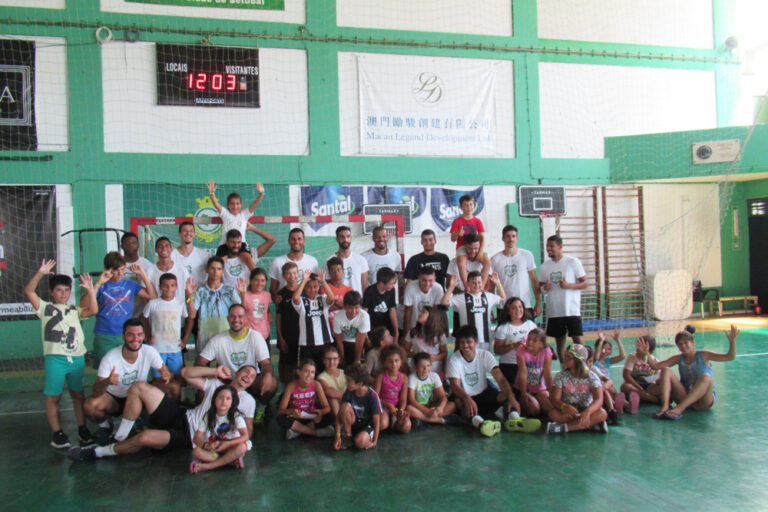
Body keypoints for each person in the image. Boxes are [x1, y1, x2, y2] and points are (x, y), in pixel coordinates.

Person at [68, 364, 256, 462]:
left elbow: (247, 433)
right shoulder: (215, 384)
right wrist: (214, 370)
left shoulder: (248, 401)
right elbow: (186, 373)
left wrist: (224, 444)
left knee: (144, 438)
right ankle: (120, 436)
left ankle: (99, 452)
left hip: (188, 437)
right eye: (245, 371)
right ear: (237, 373)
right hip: (182, 416)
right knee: (139, 387)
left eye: (253, 376)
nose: (248, 376)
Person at [24, 259, 98, 448]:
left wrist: (91, 290)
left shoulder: (74, 310)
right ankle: (57, 433)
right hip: (56, 359)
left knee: (78, 395)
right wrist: (40, 273)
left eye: (66, 290)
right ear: (51, 292)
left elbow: (94, 310)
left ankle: (82, 430)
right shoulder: (45, 308)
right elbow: (28, 291)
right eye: (59, 290)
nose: (63, 294)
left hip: (76, 359)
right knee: (54, 397)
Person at [83, 319, 171, 443]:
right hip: (115, 400)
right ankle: (106, 427)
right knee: (90, 406)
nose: (135, 338)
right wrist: (107, 381)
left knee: (173, 387)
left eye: (139, 334)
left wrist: (165, 374)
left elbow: (163, 369)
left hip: (138, 398)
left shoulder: (149, 351)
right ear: (123, 336)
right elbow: (96, 391)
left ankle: (152, 421)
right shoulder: (110, 358)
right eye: (130, 334)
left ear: (144, 336)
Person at [447, 325, 538, 437]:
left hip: (483, 394)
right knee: (460, 402)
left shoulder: (485, 355)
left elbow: (500, 378)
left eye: (468, 342)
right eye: (462, 342)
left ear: (476, 342)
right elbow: (455, 386)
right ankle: (481, 424)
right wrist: (467, 398)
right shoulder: (454, 359)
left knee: (507, 395)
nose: (465, 345)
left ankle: (515, 419)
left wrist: (511, 396)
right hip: (465, 396)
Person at [196, 303, 277, 424]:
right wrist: (210, 374)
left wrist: (268, 375)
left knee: (272, 382)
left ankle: (261, 408)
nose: (236, 320)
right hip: (228, 382)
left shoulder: (255, 337)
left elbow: (266, 364)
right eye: (233, 316)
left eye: (240, 317)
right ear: (228, 318)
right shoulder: (218, 340)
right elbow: (200, 362)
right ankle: (210, 416)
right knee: (201, 390)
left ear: (245, 319)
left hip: (250, 381)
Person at [85, 251, 157, 369]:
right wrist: (97, 284)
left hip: (125, 335)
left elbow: (152, 295)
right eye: (116, 270)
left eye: (122, 269)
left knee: (127, 368)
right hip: (104, 336)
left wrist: (143, 274)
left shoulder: (130, 284)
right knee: (104, 370)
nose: (120, 273)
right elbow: (84, 303)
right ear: (106, 269)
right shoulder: (101, 285)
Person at [651, 325, 738, 420]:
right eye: (680, 344)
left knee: (706, 377)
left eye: (686, 343)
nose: (683, 346)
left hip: (703, 401)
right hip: (684, 396)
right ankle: (665, 407)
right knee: (666, 370)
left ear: (693, 343)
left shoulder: (704, 355)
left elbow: (730, 357)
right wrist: (646, 354)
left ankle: (679, 408)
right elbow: (656, 366)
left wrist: (732, 342)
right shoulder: (678, 358)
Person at [539, 234, 587, 361]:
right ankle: (564, 368)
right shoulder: (545, 266)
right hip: (555, 310)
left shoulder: (572, 262)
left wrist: (569, 285)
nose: (548, 248)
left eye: (552, 246)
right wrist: (546, 288)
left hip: (571, 310)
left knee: (578, 339)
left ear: (560, 246)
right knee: (560, 342)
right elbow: (541, 288)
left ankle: (584, 366)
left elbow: (585, 283)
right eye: (547, 246)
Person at [141, 273, 189, 401]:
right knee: (158, 379)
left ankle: (176, 406)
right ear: (160, 287)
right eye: (165, 286)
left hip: (174, 349)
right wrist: (147, 336)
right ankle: (159, 403)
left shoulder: (180, 304)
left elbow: (188, 320)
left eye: (172, 285)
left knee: (176, 377)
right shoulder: (153, 303)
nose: (169, 289)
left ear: (176, 287)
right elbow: (144, 318)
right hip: (157, 349)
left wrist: (184, 339)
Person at [547, 344, 608, 434]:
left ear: (577, 360)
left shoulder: (591, 376)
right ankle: (589, 425)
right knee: (553, 414)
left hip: (586, 409)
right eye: (565, 356)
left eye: (568, 357)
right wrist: (564, 406)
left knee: (602, 413)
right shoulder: (560, 376)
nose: (564, 359)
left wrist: (587, 412)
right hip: (568, 411)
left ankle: (564, 428)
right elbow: (554, 399)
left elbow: (598, 399)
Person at [183, 256, 240, 352]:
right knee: (203, 364)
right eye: (212, 268)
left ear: (223, 271)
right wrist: (189, 296)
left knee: (223, 366)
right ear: (207, 270)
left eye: (219, 269)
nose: (215, 272)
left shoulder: (230, 290)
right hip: (205, 335)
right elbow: (192, 314)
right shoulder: (200, 291)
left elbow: (240, 310)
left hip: (225, 335)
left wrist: (243, 295)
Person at [190, 385, 249, 473]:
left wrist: (228, 444)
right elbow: (196, 438)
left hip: (231, 447)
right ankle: (230, 461)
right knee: (196, 451)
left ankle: (208, 466)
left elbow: (245, 436)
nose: (224, 401)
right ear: (214, 400)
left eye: (228, 398)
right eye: (220, 397)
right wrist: (206, 445)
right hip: (216, 449)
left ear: (232, 402)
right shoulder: (209, 415)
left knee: (242, 447)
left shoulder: (236, 416)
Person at [207, 179, 264, 270]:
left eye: (237, 204)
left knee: (250, 261)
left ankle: (256, 278)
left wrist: (261, 194)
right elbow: (216, 205)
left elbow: (254, 205)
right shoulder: (225, 214)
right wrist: (212, 194)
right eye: (232, 204)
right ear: (228, 205)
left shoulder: (244, 214)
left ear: (241, 205)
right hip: (225, 244)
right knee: (218, 265)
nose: (235, 206)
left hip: (240, 244)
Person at [441, 271, 505, 352]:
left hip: (485, 340)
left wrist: (498, 283)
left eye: (479, 282)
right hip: (467, 341)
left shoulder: (488, 296)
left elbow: (503, 297)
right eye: (474, 283)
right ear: (468, 284)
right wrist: (451, 287)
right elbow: (444, 302)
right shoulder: (461, 298)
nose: (477, 285)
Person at [490, 225, 541, 319]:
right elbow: (491, 286)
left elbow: (534, 280)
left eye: (513, 236)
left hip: (524, 304)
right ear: (503, 238)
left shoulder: (527, 255)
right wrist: (489, 308)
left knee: (528, 333)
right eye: (508, 236)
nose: (511, 239)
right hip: (504, 306)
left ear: (517, 238)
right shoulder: (495, 259)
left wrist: (538, 303)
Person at [276, 358, 335, 440]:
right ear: (298, 372)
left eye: (312, 372)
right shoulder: (291, 386)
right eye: (306, 371)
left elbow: (327, 408)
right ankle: (315, 433)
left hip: (312, 417)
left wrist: (321, 412)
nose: (309, 375)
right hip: (297, 417)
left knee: (331, 416)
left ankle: (297, 431)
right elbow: (280, 410)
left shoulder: (316, 385)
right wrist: (291, 411)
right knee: (281, 418)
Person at [292, 270, 336, 369]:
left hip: (325, 343)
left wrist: (323, 282)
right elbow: (295, 297)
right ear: (305, 288)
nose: (312, 290)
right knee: (306, 371)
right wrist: (303, 281)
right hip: (307, 344)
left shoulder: (323, 299)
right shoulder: (303, 302)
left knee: (324, 371)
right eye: (309, 287)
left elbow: (332, 298)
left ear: (319, 287)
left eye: (315, 287)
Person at [333, 363, 382, 451]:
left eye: (349, 381)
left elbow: (376, 421)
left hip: (366, 425)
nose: (346, 383)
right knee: (345, 406)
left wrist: (375, 441)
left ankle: (361, 437)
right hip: (352, 423)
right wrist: (337, 435)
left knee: (360, 443)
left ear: (360, 383)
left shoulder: (372, 396)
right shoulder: (348, 393)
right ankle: (348, 436)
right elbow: (339, 415)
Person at [493, 297, 537, 389]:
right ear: (508, 311)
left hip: (528, 365)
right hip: (509, 365)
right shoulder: (503, 328)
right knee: (513, 396)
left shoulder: (530, 325)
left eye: (520, 307)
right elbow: (497, 350)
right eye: (514, 308)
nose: (518, 310)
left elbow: (538, 345)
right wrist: (513, 345)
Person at [450, 194, 490, 291]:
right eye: (465, 205)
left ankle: (482, 286)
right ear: (461, 207)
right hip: (462, 247)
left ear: (474, 205)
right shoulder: (457, 221)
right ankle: (467, 287)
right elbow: (452, 239)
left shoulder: (477, 221)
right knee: (461, 263)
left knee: (488, 263)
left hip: (476, 247)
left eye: (470, 204)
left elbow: (483, 238)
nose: (468, 207)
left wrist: (480, 251)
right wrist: (458, 233)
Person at [268, 227, 319, 299]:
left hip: (305, 305)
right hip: (285, 304)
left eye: (299, 239)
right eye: (293, 239)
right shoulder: (278, 262)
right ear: (289, 241)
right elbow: (273, 289)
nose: (296, 242)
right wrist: (275, 298)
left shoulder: (312, 261)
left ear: (304, 241)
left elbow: (316, 285)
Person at [515, 328, 555, 417]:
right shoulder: (521, 351)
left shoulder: (546, 351)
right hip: (524, 388)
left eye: (534, 340)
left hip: (539, 389)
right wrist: (524, 393)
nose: (530, 342)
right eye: (529, 339)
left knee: (550, 407)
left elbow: (547, 374)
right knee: (534, 410)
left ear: (541, 345)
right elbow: (523, 373)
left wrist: (552, 394)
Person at [374, 345, 411, 434]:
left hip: (396, 409)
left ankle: (393, 423)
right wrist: (388, 405)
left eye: (396, 361)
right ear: (385, 363)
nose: (394, 364)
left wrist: (401, 410)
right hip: (383, 407)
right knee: (383, 424)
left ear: (401, 362)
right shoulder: (381, 376)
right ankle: (385, 422)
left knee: (406, 427)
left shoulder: (404, 378)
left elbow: (403, 399)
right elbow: (375, 397)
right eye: (390, 361)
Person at [620, 335, 661, 413]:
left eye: (641, 348)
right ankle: (653, 399)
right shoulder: (632, 357)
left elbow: (659, 378)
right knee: (625, 387)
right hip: (635, 385)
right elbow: (626, 375)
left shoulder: (655, 361)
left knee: (661, 390)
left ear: (651, 351)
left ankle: (640, 398)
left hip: (649, 387)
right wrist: (639, 387)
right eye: (637, 347)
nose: (638, 350)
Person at [592, 330, 627, 421]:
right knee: (610, 391)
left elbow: (622, 356)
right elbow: (596, 356)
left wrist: (618, 340)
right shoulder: (593, 361)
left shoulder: (608, 361)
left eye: (608, 349)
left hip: (608, 387)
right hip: (598, 388)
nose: (606, 352)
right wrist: (601, 341)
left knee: (613, 391)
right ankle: (616, 405)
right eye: (603, 349)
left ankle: (624, 405)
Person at [324, 225, 369, 295]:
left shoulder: (361, 260)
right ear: (337, 239)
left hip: (357, 304)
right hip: (336, 303)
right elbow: (327, 286)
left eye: (348, 236)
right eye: (342, 237)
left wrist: (365, 305)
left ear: (351, 238)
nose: (345, 239)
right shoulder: (329, 261)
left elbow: (365, 286)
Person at [404, 306, 448, 376]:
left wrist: (435, 357)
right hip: (416, 371)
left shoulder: (440, 334)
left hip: (435, 372)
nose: (419, 313)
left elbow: (444, 352)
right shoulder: (412, 332)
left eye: (424, 312)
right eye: (420, 311)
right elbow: (404, 352)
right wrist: (416, 354)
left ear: (431, 316)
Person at [275, 262, 300, 383]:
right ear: (284, 276)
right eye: (289, 273)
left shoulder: (304, 291)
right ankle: (286, 393)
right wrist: (280, 337)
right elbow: (278, 317)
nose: (292, 276)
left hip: (301, 336)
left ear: (298, 274)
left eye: (294, 272)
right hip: (286, 336)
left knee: (300, 366)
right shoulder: (281, 295)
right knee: (286, 367)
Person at [332, 291, 371, 366]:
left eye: (357, 308)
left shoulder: (364, 316)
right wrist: (342, 357)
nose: (353, 312)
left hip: (356, 341)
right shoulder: (337, 317)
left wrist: (357, 360)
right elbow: (339, 340)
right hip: (344, 342)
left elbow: (360, 340)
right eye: (350, 308)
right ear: (344, 307)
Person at [120, 232, 154, 317]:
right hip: (121, 311)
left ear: (138, 245)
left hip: (140, 313)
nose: (131, 245)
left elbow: (152, 291)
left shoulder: (147, 265)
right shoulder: (117, 265)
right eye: (127, 243)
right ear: (122, 246)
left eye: (134, 243)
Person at [362, 266, 399, 344]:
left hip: (386, 326)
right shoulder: (370, 292)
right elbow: (364, 313)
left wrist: (396, 330)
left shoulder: (392, 290)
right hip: (373, 328)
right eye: (390, 284)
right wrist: (366, 335)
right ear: (381, 283)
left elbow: (392, 310)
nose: (393, 286)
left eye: (393, 284)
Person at [147, 237, 188, 303]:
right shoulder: (149, 271)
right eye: (160, 246)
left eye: (167, 246)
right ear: (156, 250)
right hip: (157, 311)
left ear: (171, 249)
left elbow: (188, 293)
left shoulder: (182, 270)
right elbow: (145, 296)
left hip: (178, 311)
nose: (164, 248)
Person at [403, 266, 444, 331]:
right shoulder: (410, 288)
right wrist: (406, 331)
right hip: (414, 326)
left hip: (430, 326)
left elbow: (435, 311)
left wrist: (434, 328)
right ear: (419, 278)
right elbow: (408, 311)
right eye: (424, 280)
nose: (427, 284)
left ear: (435, 279)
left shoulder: (438, 288)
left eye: (430, 280)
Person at [237, 267, 273, 342]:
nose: (260, 283)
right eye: (256, 280)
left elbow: (267, 309)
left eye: (262, 281)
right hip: (250, 334)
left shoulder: (267, 295)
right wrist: (243, 294)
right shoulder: (244, 294)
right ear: (251, 281)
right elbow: (242, 311)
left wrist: (269, 316)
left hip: (264, 334)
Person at [172, 221, 210, 286]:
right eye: (185, 231)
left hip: (198, 294)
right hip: (178, 294)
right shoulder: (172, 255)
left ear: (194, 234)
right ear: (179, 234)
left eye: (191, 231)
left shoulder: (204, 255)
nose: (188, 233)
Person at [318, 345, 346, 417]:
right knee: (332, 399)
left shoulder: (345, 373)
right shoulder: (321, 377)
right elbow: (328, 391)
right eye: (328, 359)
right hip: (334, 407)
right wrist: (348, 397)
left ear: (339, 360)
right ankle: (338, 423)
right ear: (323, 360)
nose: (332, 362)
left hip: (348, 403)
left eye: (335, 359)